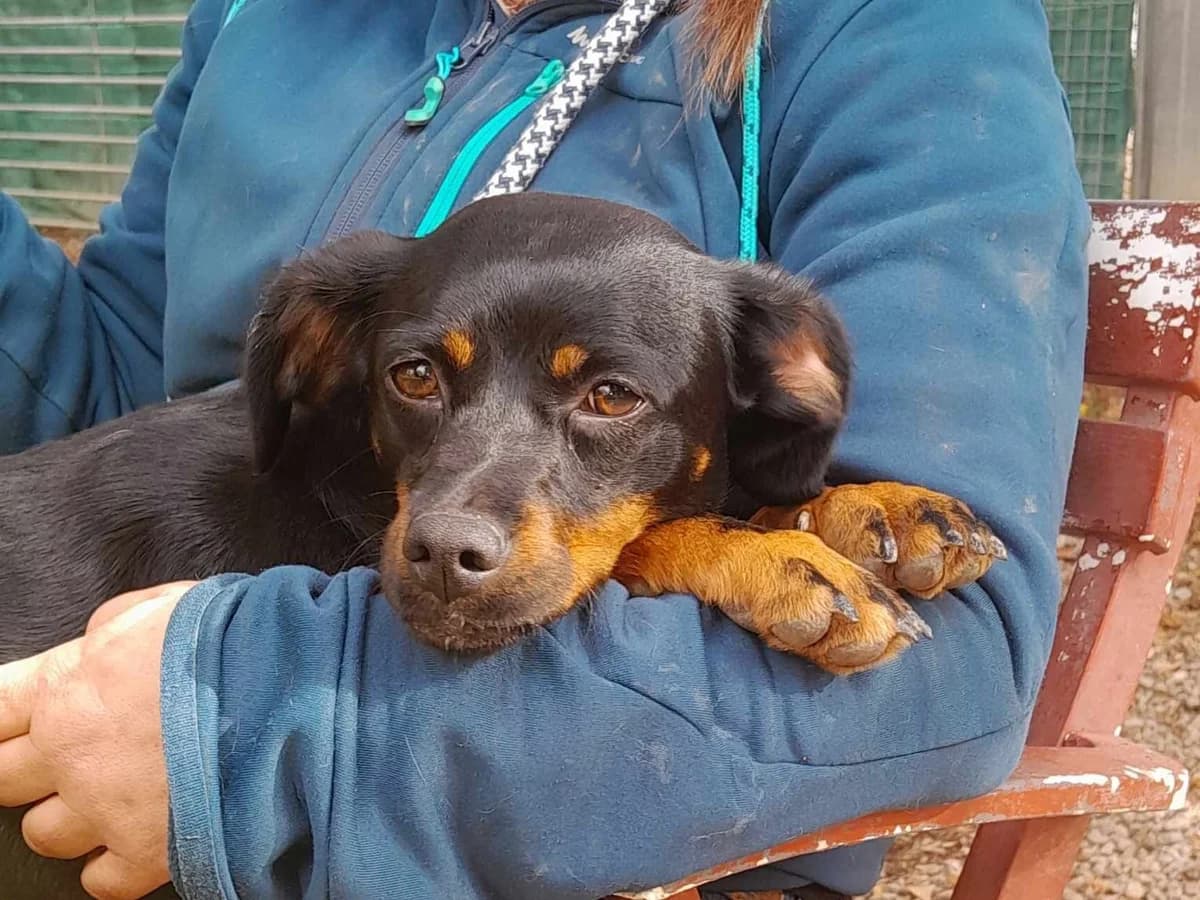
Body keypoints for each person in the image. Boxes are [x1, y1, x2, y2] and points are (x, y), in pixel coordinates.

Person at [0, 0, 1088, 897]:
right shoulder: (264, 16)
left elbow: (955, 653)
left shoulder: (894, 30)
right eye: (419, 377)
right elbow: (115, 386)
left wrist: (238, 728)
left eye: (608, 396)